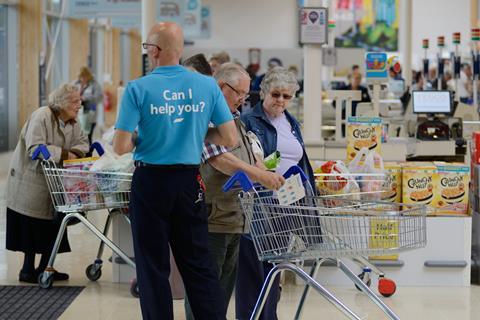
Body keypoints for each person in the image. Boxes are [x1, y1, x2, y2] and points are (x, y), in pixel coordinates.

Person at [113, 22, 238, 320]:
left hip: (150, 182)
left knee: (153, 266)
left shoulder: (137, 88)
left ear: (154, 51)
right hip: (189, 182)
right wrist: (196, 135)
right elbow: (231, 139)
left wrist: (147, 137)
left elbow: (120, 146)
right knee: (198, 263)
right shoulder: (207, 85)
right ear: (180, 50)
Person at [184, 63, 285, 320]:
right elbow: (221, 160)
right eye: (238, 92)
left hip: (235, 219)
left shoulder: (235, 120)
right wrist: (261, 175)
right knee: (204, 292)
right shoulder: (204, 118)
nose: (242, 99)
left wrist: (270, 174)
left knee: (221, 293)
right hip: (210, 220)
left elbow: (251, 157)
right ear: (220, 87)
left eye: (245, 94)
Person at [236, 67, 316, 320]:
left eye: (287, 96)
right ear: (263, 93)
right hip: (259, 203)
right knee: (252, 270)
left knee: (274, 268)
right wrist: (269, 167)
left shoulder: (291, 123)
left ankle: (269, 315)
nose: (280, 101)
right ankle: (249, 316)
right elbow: (250, 162)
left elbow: (300, 160)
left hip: (288, 202)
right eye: (276, 94)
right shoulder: (249, 121)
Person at [6, 83, 89, 283]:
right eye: (75, 101)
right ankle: (27, 270)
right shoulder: (42, 116)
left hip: (54, 184)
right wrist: (64, 154)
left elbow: (83, 143)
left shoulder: (73, 122)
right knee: (32, 225)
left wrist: (72, 153)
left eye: (80, 100)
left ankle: (46, 268)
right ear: (61, 103)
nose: (79, 105)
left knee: (53, 225)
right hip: (31, 181)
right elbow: (35, 149)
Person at [74, 66, 103, 144]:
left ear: (88, 76)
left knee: (87, 135)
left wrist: (85, 98)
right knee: (78, 135)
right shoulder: (75, 83)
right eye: (81, 77)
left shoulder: (95, 84)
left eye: (84, 77)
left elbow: (99, 97)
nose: (82, 79)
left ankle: (88, 152)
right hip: (78, 113)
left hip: (90, 113)